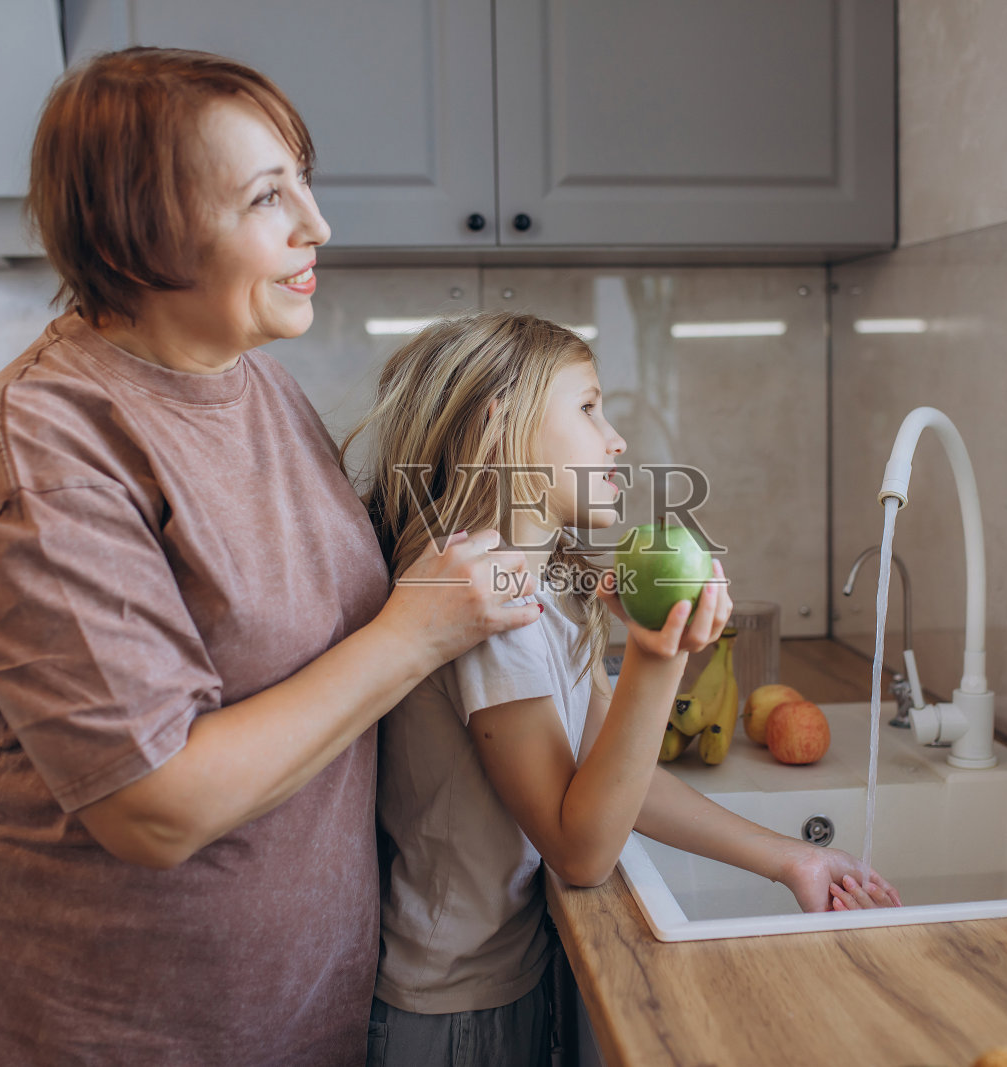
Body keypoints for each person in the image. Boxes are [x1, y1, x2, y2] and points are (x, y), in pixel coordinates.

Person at [0, 48, 542, 1066]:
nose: (316, 225)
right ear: (142, 226)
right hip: (84, 1021)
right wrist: (423, 628)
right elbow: (156, 806)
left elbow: (311, 625)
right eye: (266, 197)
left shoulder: (254, 380)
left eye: (303, 181)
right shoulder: (49, 443)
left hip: (276, 1012)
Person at [345, 313, 901, 1067]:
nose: (617, 439)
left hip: (496, 980)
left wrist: (789, 859)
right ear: (496, 425)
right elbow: (581, 849)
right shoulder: (483, 605)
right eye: (587, 407)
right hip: (452, 1012)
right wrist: (658, 657)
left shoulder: (539, 581)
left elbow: (616, 774)